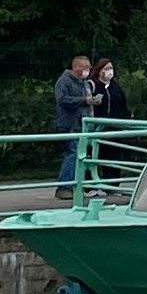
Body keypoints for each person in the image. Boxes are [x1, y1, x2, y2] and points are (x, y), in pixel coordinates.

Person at [52, 54, 97, 197]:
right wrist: (84, 101)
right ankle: (64, 186)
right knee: (73, 154)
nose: (88, 70)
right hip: (69, 124)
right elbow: (62, 100)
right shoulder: (64, 81)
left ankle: (77, 186)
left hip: (82, 124)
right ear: (76, 67)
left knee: (80, 155)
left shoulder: (84, 83)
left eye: (89, 67)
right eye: (85, 67)